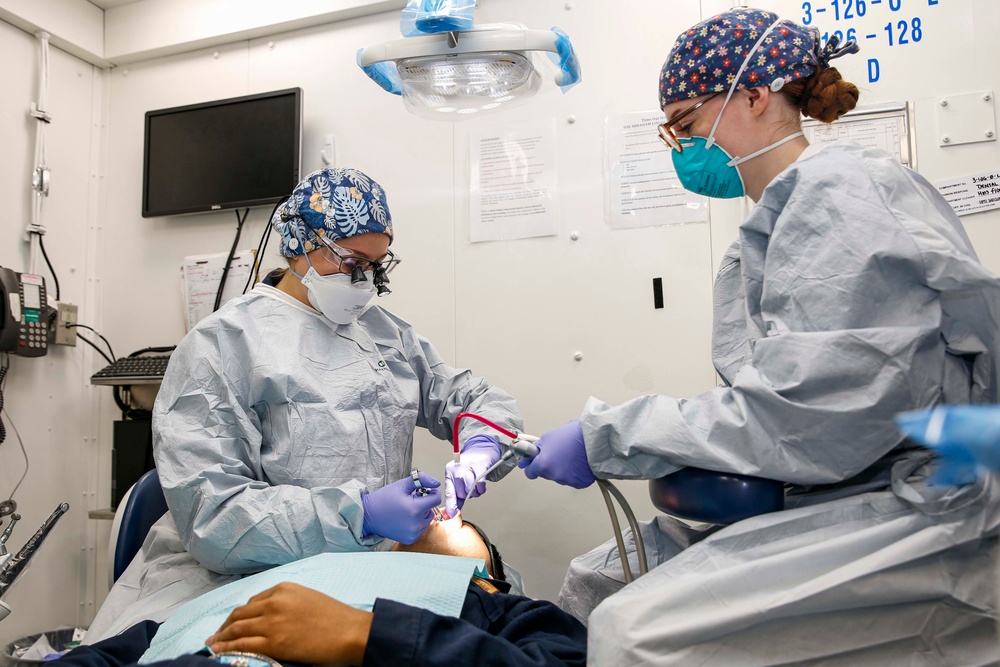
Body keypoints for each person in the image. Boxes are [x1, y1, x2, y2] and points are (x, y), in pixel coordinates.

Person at [518, 8, 1000, 664]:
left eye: (686, 124)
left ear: (753, 94)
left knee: (630, 633)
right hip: (847, 484)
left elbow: (811, 413)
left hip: (921, 512)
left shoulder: (835, 196)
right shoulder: (780, 220)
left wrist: (610, 435)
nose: (683, 147)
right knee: (595, 580)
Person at [86, 167, 522, 641]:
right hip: (241, 574)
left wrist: (481, 446)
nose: (365, 281)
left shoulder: (385, 334)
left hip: (374, 561)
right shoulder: (225, 343)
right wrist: (359, 514)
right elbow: (215, 519)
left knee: (495, 627)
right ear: (300, 244)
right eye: (352, 261)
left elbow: (471, 397)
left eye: (377, 266)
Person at [57, 518, 587, 667]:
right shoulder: (284, 578)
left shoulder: (491, 607)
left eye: (460, 521)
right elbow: (109, 653)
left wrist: (372, 636)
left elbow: (569, 659)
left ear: (487, 573)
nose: (442, 511)